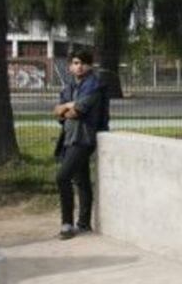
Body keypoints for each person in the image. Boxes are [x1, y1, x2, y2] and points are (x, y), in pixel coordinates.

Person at [53, 49, 102, 239]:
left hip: (84, 139)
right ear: (70, 66)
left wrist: (67, 107)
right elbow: (57, 111)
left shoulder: (93, 85)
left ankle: (67, 224)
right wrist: (67, 107)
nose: (79, 66)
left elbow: (78, 111)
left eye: (83, 63)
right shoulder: (69, 86)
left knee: (62, 177)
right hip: (70, 137)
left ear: (90, 65)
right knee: (81, 181)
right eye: (75, 63)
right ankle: (84, 223)